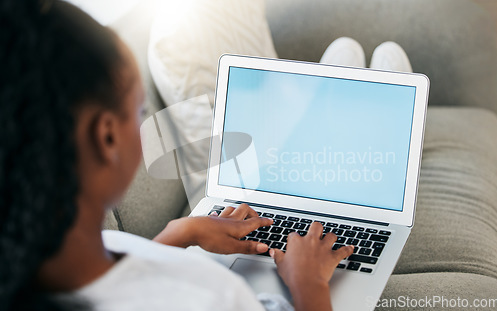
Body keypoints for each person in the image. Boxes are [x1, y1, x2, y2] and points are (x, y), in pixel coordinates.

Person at [0, 0, 413, 310]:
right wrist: (309, 284)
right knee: (370, 65)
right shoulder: (213, 299)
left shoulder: (57, 257)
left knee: (347, 59)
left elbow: (123, 279)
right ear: (106, 138)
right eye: (138, 113)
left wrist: (177, 235)